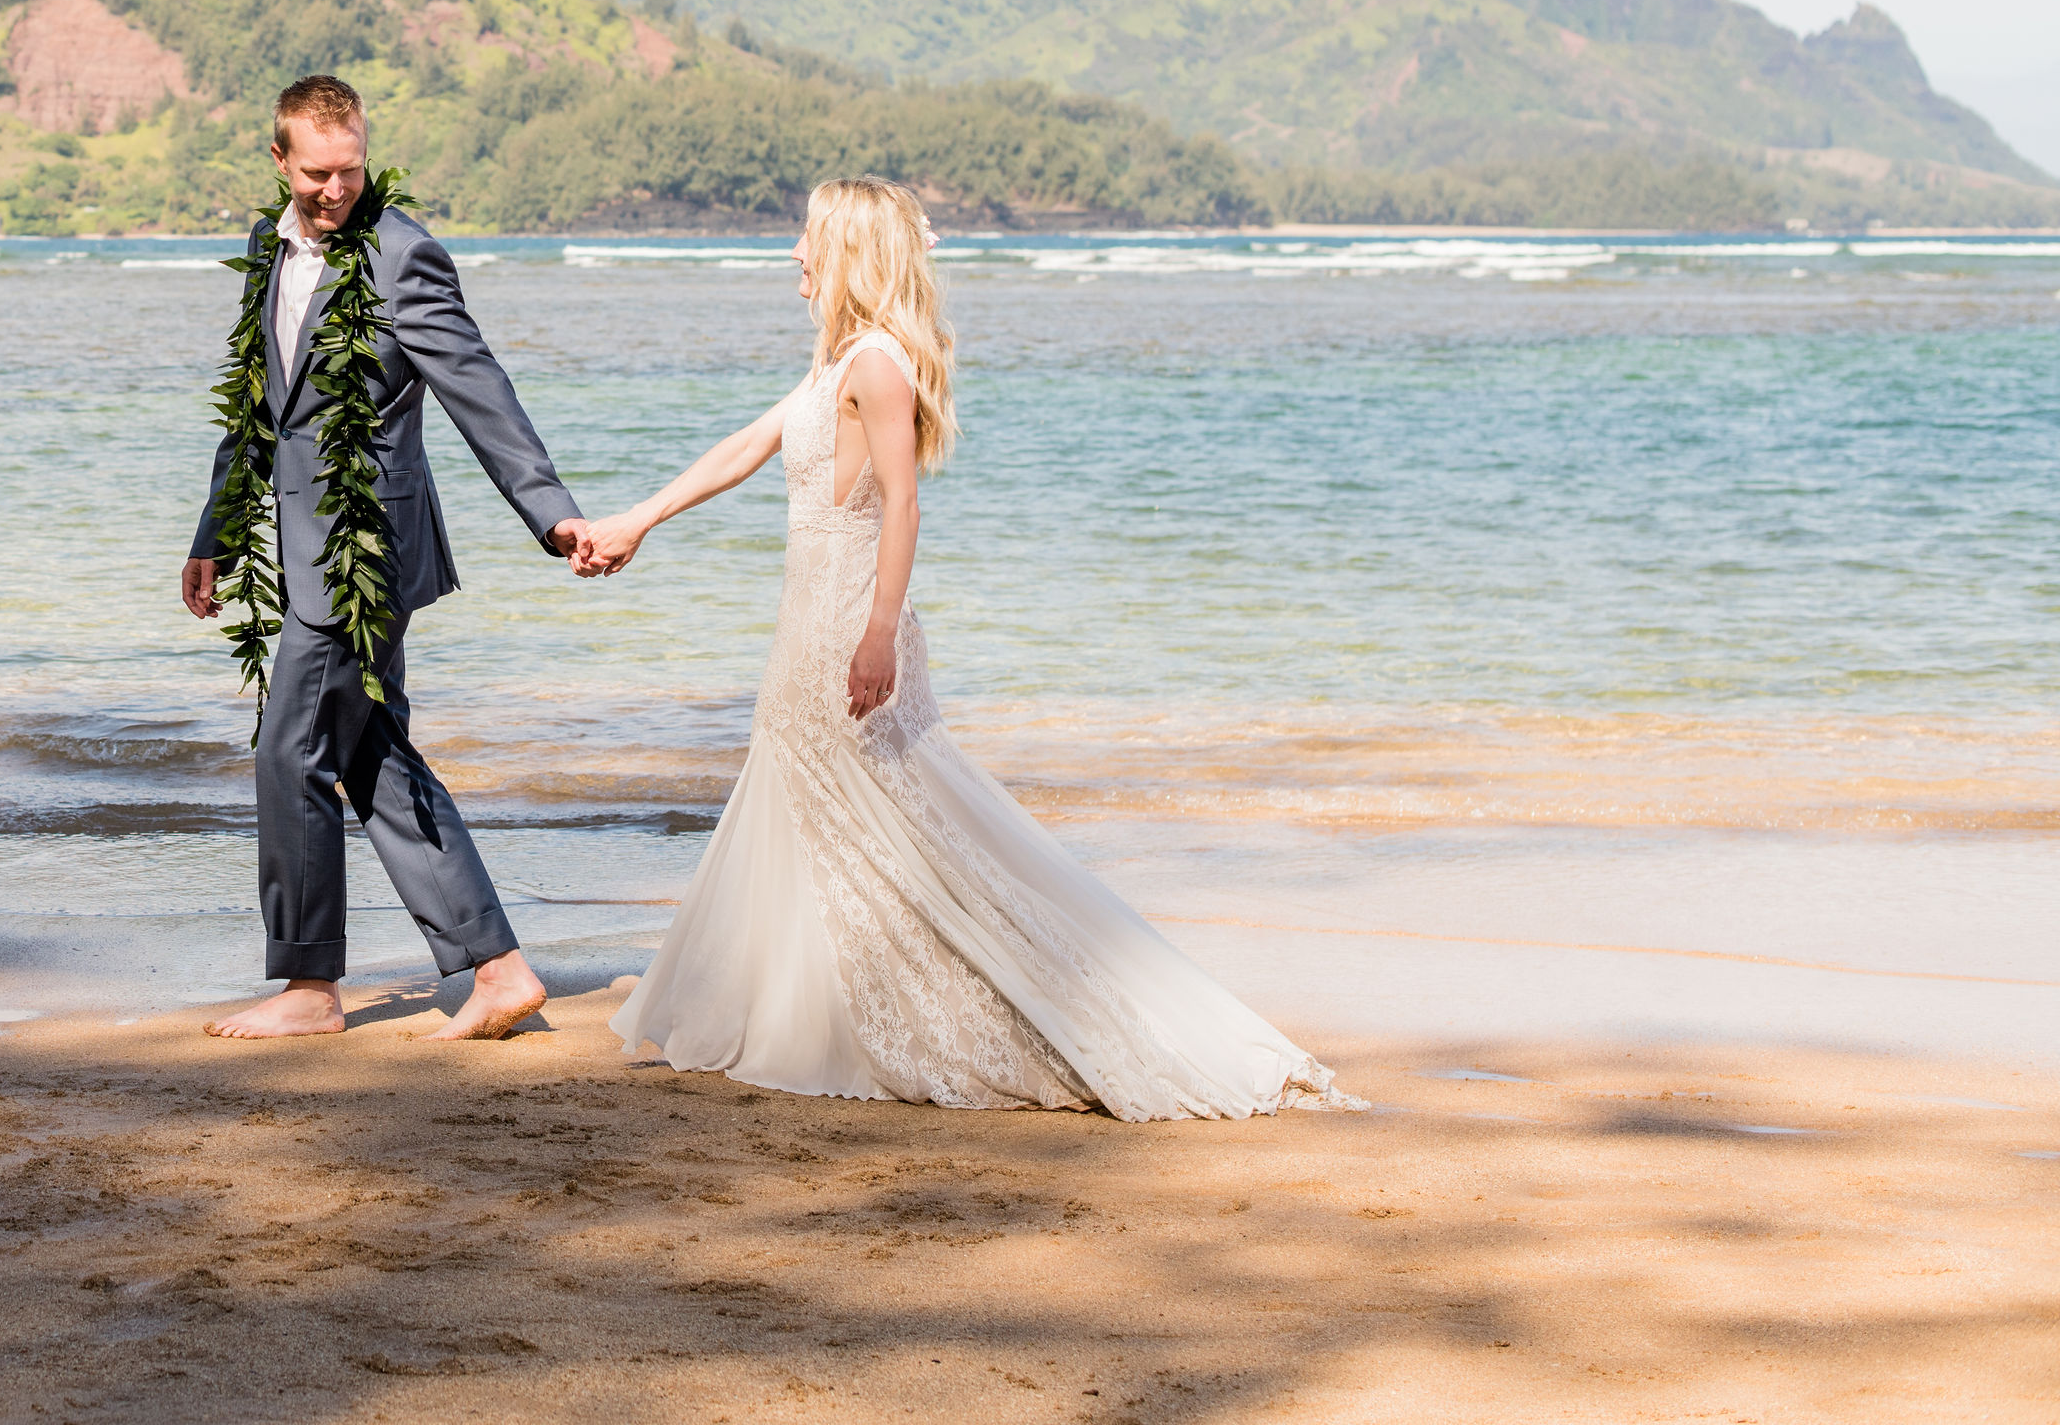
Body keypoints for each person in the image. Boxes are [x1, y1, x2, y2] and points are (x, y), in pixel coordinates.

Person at [577, 177, 1351, 1118]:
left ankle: (1000, 1005)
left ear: (850, 250)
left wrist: (876, 635)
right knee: (829, 809)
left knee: (898, 821)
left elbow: (903, 504)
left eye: (809, 238)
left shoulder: (879, 365)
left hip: (845, 621)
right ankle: (809, 1007)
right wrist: (639, 518)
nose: (795, 254)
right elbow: (747, 445)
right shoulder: (834, 364)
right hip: (806, 616)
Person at [180, 74, 594, 1041]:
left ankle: (309, 988)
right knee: (369, 754)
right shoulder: (266, 248)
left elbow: (478, 387)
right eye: (318, 173)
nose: (337, 190)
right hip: (305, 547)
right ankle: (497, 969)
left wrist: (552, 514)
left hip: (369, 554)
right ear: (279, 161)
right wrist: (216, 531)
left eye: (352, 169)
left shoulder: (403, 255)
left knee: (290, 748)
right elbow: (258, 405)